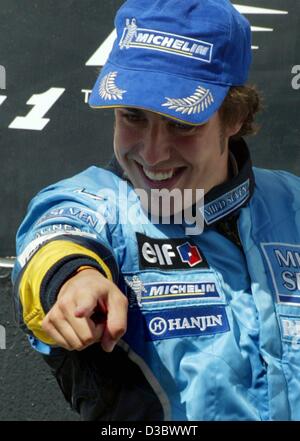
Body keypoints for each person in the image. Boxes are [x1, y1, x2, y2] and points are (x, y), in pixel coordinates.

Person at [12, 0, 300, 421]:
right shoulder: (92, 201)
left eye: (182, 124)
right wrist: (74, 280)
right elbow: (54, 243)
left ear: (234, 116)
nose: (152, 152)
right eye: (132, 117)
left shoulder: (292, 202)